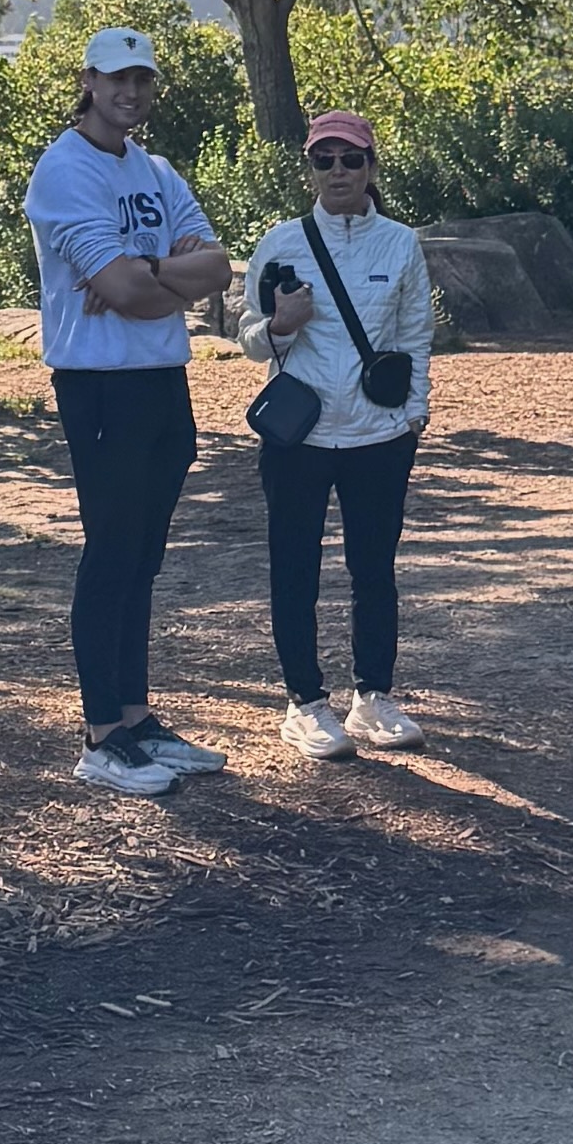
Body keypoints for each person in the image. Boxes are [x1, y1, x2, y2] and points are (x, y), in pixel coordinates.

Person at [21, 25, 236, 795]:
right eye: (116, 79)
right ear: (88, 81)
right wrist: (159, 277)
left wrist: (149, 269)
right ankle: (100, 735)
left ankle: (138, 718)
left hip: (161, 380)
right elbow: (124, 294)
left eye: (142, 79)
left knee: (143, 557)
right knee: (110, 552)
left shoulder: (156, 168)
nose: (130, 93)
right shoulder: (63, 171)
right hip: (99, 383)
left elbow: (216, 264)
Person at [235, 108, 434, 764]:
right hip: (301, 437)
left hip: (379, 435)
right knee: (295, 570)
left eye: (351, 159)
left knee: (374, 570)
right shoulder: (282, 241)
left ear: (371, 167)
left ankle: (373, 697)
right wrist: (281, 326)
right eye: (325, 160)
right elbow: (247, 337)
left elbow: (414, 334)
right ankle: (304, 703)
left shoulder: (401, 243)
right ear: (310, 169)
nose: (339, 172)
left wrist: (413, 412)